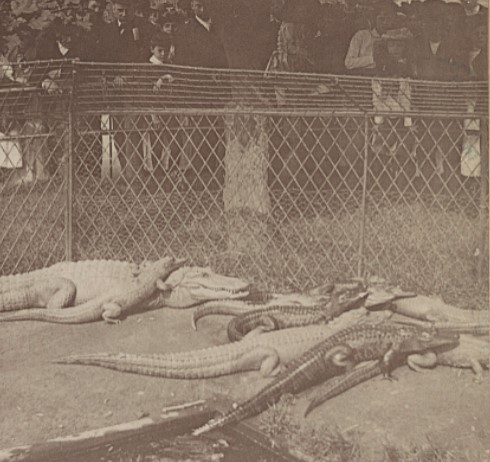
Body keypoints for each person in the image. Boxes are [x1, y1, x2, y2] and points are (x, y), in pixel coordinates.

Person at [344, 6, 393, 75]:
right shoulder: (361, 35)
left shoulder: (395, 38)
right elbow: (349, 63)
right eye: (381, 19)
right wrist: (372, 59)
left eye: (389, 19)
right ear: (374, 20)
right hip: (364, 77)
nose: (385, 22)